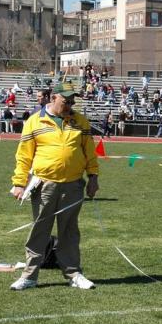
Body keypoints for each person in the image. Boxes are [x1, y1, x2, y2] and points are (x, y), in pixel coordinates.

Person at [9, 81, 99, 291]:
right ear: (53, 98)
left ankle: (74, 274)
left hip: (73, 186)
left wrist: (93, 177)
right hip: (44, 185)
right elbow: (24, 156)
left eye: (72, 101)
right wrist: (19, 183)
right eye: (66, 101)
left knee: (69, 231)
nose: (69, 105)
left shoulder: (80, 122)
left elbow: (90, 153)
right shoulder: (34, 122)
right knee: (40, 230)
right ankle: (30, 276)